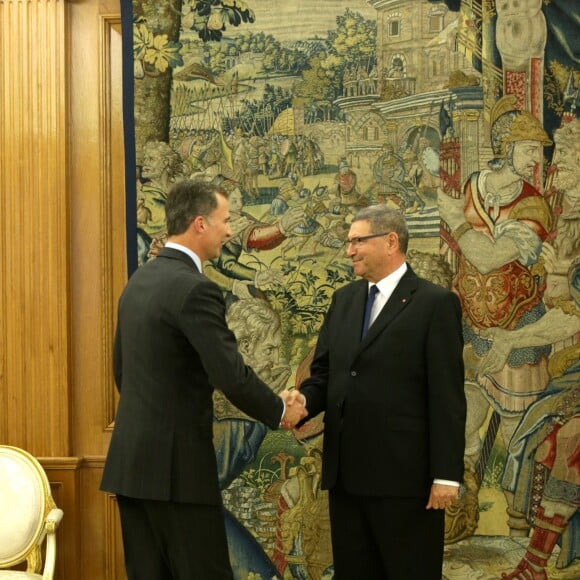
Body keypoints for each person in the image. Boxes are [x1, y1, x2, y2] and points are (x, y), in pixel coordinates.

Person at [100, 179, 306, 580]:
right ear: (199, 224)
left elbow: (122, 372)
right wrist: (281, 409)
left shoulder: (138, 282)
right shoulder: (196, 290)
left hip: (132, 467)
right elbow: (230, 373)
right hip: (178, 473)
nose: (230, 231)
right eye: (224, 221)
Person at [291, 204, 467, 579]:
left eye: (357, 241)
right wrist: (304, 400)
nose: (349, 250)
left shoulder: (435, 303)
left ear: (391, 241)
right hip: (347, 479)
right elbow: (325, 373)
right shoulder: (345, 300)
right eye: (348, 242)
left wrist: (446, 476)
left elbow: (447, 396)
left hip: (407, 482)